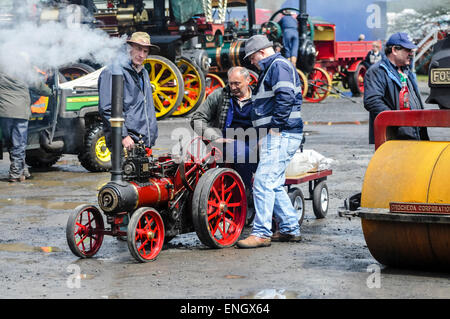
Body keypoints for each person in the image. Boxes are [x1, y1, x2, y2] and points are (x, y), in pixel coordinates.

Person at [236, 35, 304, 248]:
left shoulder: (278, 66)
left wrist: (274, 129)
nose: (252, 62)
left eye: (252, 58)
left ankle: (261, 233)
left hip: (281, 133)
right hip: (281, 133)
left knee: (263, 182)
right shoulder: (276, 66)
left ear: (262, 52)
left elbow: (285, 97)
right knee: (272, 184)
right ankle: (290, 228)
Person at [190, 66, 257, 194]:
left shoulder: (258, 98)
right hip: (227, 144)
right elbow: (196, 119)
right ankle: (244, 192)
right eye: (230, 83)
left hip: (255, 141)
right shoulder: (219, 95)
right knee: (242, 153)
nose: (232, 87)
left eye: (237, 83)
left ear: (248, 80)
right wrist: (215, 137)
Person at [364, 32, 429, 144]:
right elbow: (372, 101)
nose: (411, 54)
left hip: (415, 135)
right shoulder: (377, 71)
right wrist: (399, 122)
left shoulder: (406, 70)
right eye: (408, 50)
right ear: (394, 50)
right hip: (395, 139)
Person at [98, 31, 159, 151]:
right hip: (126, 142)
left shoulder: (144, 73)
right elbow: (107, 108)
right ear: (128, 48)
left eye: (145, 51)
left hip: (143, 141)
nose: (141, 55)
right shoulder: (113, 71)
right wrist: (123, 135)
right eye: (138, 49)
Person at [0, 70, 52, 182]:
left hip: (4, 112)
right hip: (20, 111)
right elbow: (37, 85)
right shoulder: (22, 68)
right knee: (19, 143)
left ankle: (22, 169)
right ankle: (15, 173)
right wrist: (49, 91)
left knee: (11, 141)